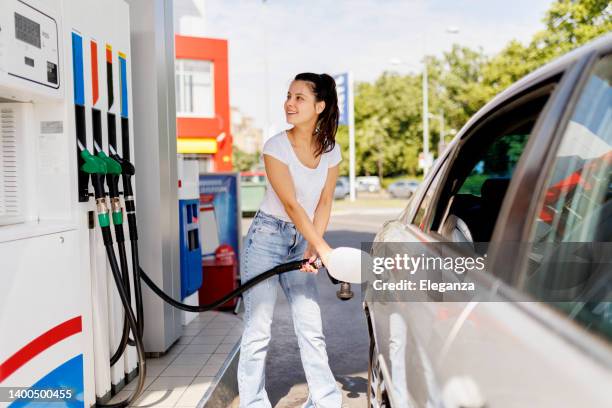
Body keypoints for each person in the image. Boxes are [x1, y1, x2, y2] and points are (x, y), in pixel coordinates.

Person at [238, 73, 343, 408]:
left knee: (310, 324)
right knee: (258, 329)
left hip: (302, 239)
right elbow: (292, 205)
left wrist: (314, 245)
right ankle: (254, 403)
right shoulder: (275, 147)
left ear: (320, 106)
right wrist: (324, 250)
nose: (289, 103)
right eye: (288, 96)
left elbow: (325, 200)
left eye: (299, 98)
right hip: (267, 239)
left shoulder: (331, 151)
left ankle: (326, 400)